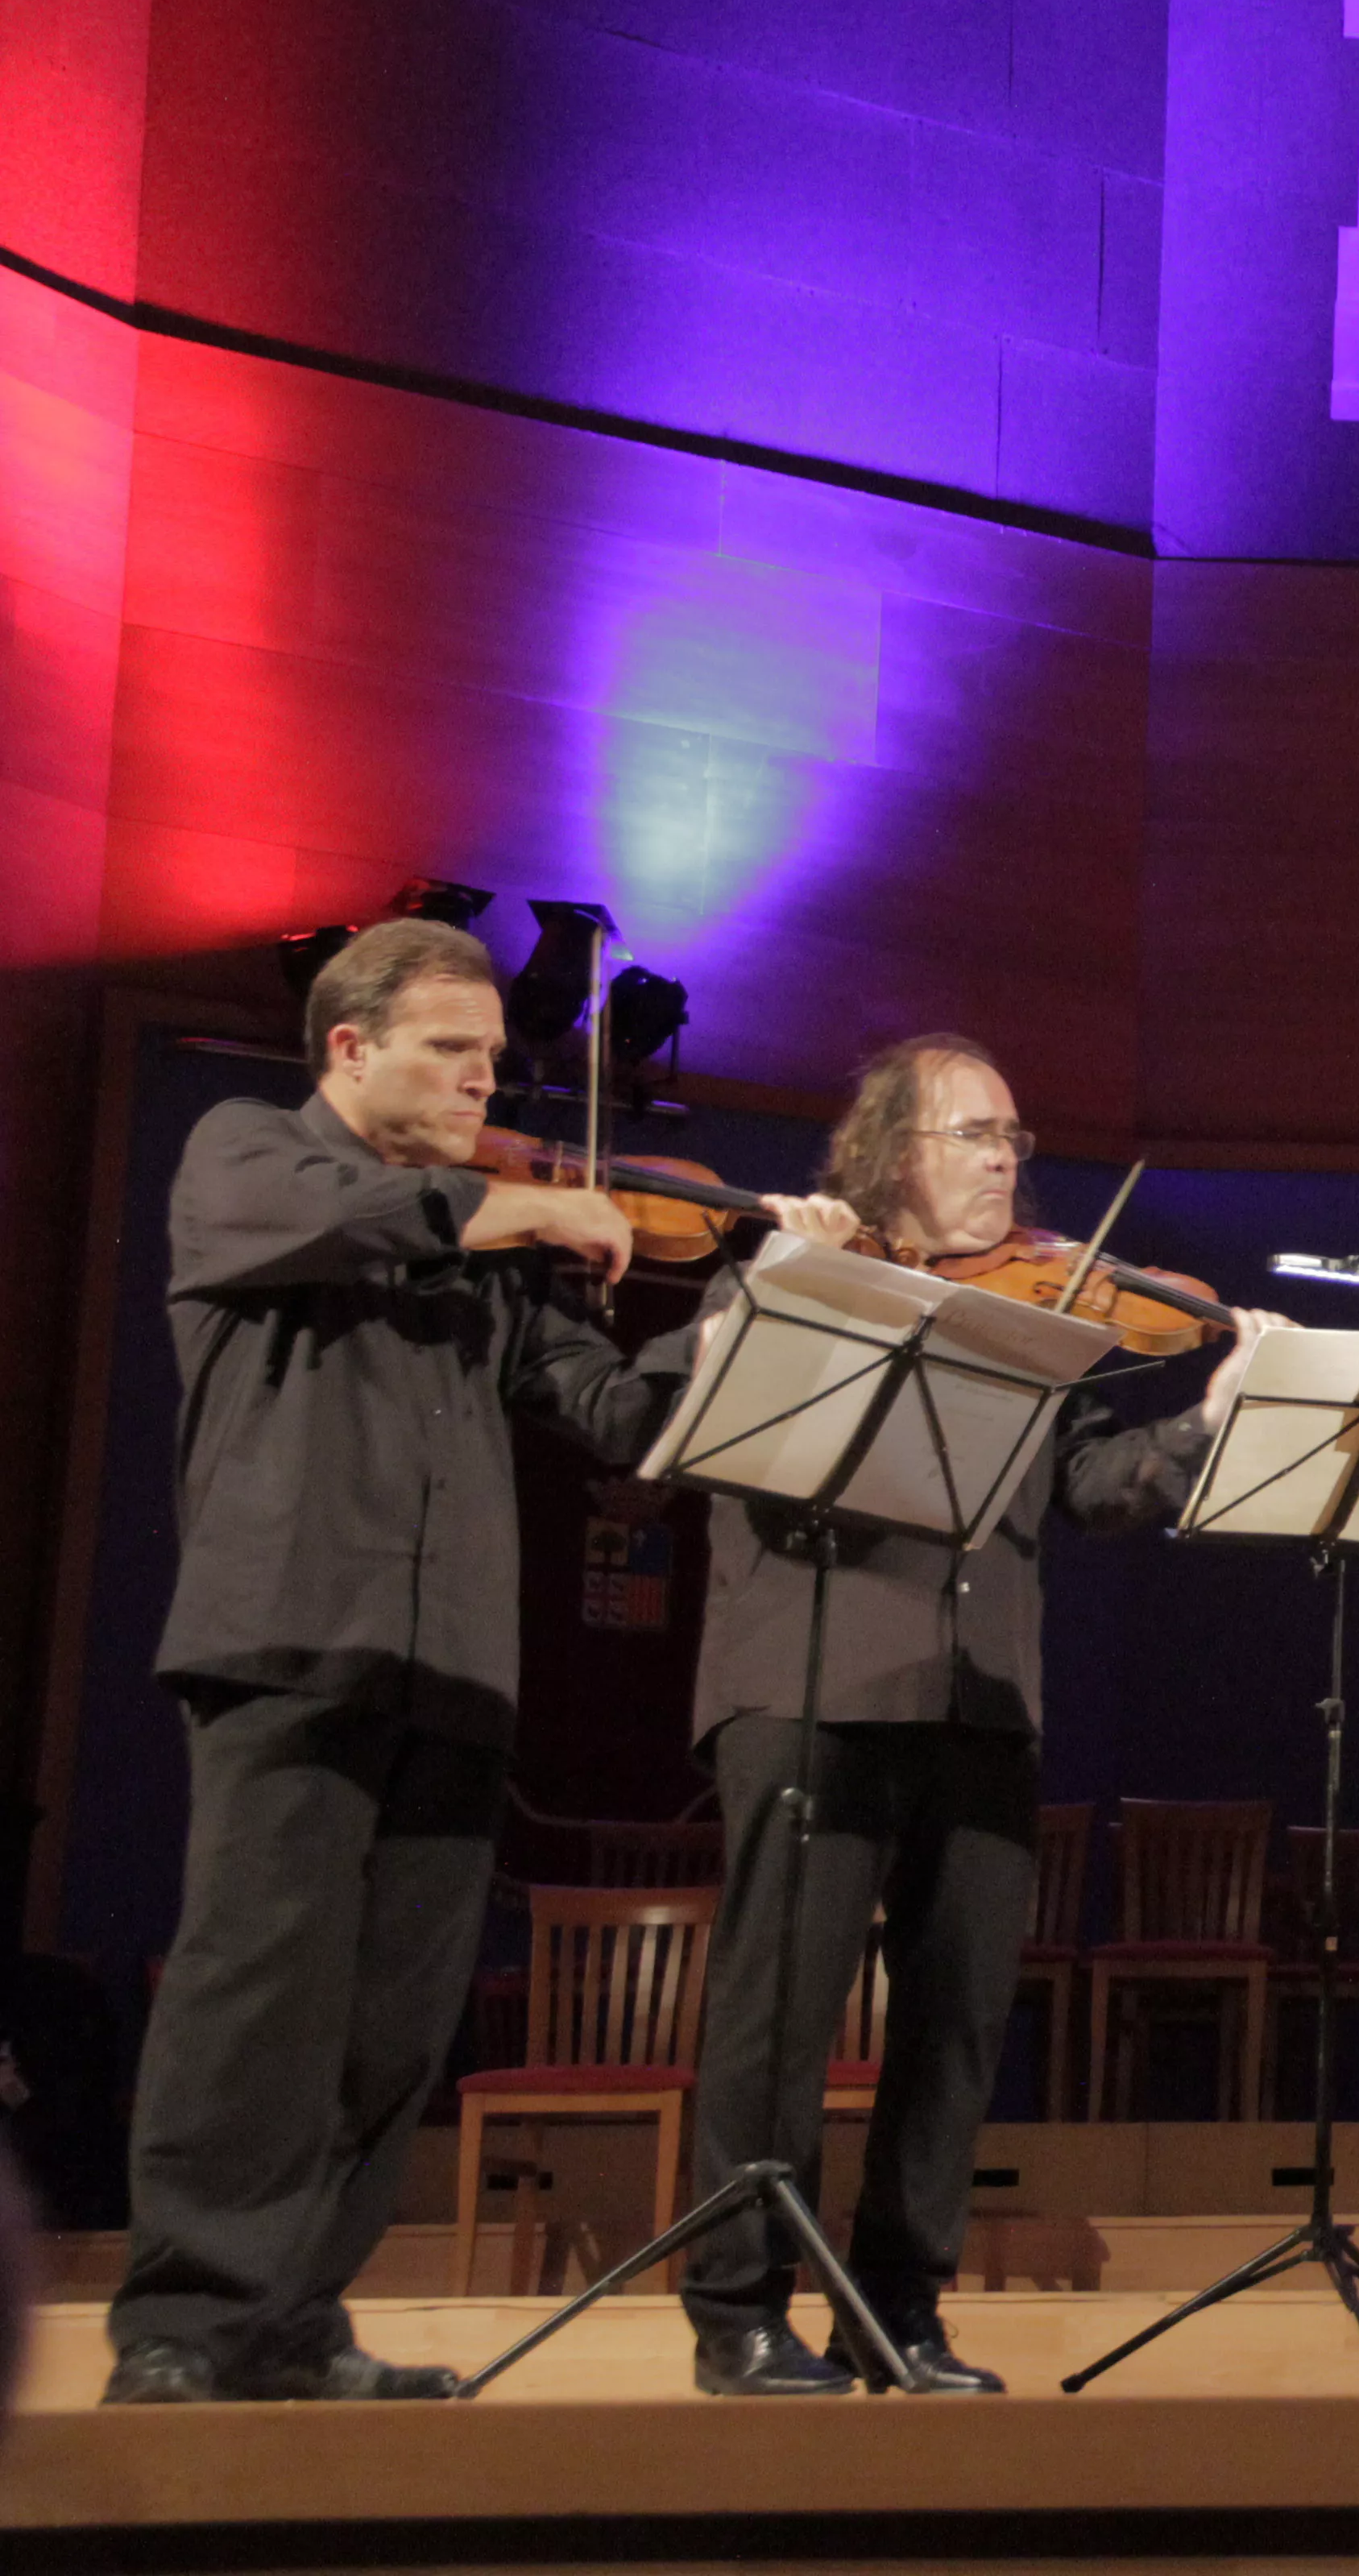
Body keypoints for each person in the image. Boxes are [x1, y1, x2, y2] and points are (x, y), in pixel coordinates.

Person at [102, 919, 827, 2403]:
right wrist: (498, 1213)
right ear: (351, 1048)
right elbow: (373, 1217)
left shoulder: (492, 1238)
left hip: (460, 1673)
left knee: (390, 2031)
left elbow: (617, 1415)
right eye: (453, 1051)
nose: (484, 1081)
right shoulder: (247, 1155)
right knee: (255, 2005)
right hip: (291, 1641)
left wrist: (760, 1302)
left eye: (494, 1056)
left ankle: (296, 2326)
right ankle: (184, 2330)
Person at [665, 1036, 1282, 2397]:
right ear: (894, 1153)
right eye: (975, 1135)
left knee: (956, 2027)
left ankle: (902, 2309)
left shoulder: (1032, 1313)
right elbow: (687, 1406)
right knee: (780, 2017)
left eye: (1015, 1138)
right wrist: (780, 1290)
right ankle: (741, 2314)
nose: (1008, 1160)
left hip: (982, 1696)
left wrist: (1212, 1421)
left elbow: (1093, 1483)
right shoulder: (792, 1280)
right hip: (812, 1683)